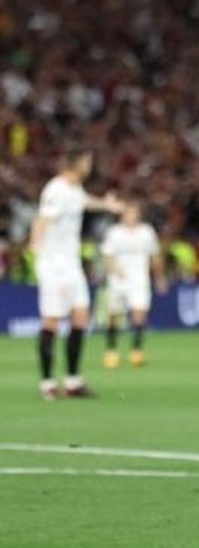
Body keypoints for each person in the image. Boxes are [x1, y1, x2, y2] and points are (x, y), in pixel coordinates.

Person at [29, 146, 124, 399]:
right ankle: (47, 384)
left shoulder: (74, 189)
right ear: (78, 162)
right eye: (87, 161)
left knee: (80, 316)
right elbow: (42, 219)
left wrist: (106, 205)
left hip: (71, 263)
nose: (90, 166)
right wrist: (35, 247)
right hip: (54, 264)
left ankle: (73, 382)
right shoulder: (55, 189)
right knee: (51, 320)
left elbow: (84, 201)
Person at [100, 202, 168, 368]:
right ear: (122, 215)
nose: (131, 216)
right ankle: (111, 350)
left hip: (140, 279)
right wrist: (113, 269)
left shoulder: (147, 232)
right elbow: (107, 256)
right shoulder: (114, 232)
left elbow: (155, 256)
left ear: (138, 214)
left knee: (139, 314)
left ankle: (136, 352)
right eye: (128, 213)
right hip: (118, 280)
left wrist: (159, 278)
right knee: (114, 315)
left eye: (134, 212)